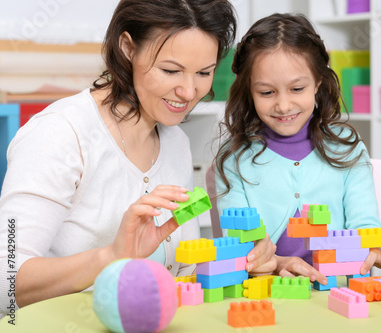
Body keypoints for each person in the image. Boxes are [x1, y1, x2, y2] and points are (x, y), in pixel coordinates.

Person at [0, 0, 276, 316]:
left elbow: (181, 274)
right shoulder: (60, 134)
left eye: (204, 72)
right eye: (171, 70)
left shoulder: (176, 144)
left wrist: (247, 262)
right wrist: (111, 256)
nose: (188, 91)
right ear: (128, 48)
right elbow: (5, 282)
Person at [215, 13, 381, 285]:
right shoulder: (234, 159)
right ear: (249, 92)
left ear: (318, 82)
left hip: (340, 286)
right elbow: (239, 244)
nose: (284, 106)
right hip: (269, 291)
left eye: (297, 88)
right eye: (266, 92)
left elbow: (364, 220)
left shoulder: (347, 147)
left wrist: (373, 249)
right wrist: (278, 263)